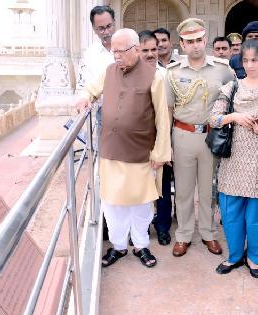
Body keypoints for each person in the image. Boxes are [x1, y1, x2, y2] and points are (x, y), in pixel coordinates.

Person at [76, 28, 171, 268]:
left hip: (140, 152)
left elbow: (162, 117)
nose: (116, 56)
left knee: (141, 204)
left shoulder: (154, 76)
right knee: (112, 202)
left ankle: (141, 246)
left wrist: (160, 153)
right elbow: (91, 89)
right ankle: (118, 247)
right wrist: (84, 97)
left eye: (120, 51)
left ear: (136, 49)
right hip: (111, 149)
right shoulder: (109, 71)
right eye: (113, 51)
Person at [165, 18, 235, 257]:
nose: (195, 45)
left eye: (199, 40)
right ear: (182, 44)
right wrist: (167, 144)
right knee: (183, 191)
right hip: (182, 135)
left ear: (205, 40)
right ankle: (183, 235)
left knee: (208, 190)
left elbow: (235, 99)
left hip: (210, 137)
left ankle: (209, 233)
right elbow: (168, 110)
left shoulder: (223, 69)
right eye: (189, 41)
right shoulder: (172, 72)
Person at [210, 39, 258, 278]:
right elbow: (214, 118)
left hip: (257, 164)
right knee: (231, 214)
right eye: (247, 60)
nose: (250, 65)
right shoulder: (232, 87)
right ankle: (235, 256)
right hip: (233, 161)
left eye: (255, 60)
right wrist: (235, 117)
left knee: (256, 217)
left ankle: (254, 258)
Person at [79, 5, 116, 241]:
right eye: (100, 28)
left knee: (130, 170)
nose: (106, 32)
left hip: (131, 118)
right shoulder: (90, 55)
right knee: (106, 170)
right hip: (103, 117)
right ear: (94, 29)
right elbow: (85, 86)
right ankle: (106, 221)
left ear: (115, 22)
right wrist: (83, 99)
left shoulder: (127, 45)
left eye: (109, 26)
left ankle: (131, 227)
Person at [138, 30, 173, 246]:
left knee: (163, 188)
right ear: (137, 51)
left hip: (161, 139)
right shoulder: (129, 74)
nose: (151, 54)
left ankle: (162, 228)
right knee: (140, 188)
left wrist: (167, 145)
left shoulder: (166, 74)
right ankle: (140, 230)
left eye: (154, 49)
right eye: (146, 50)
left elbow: (169, 111)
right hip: (138, 144)